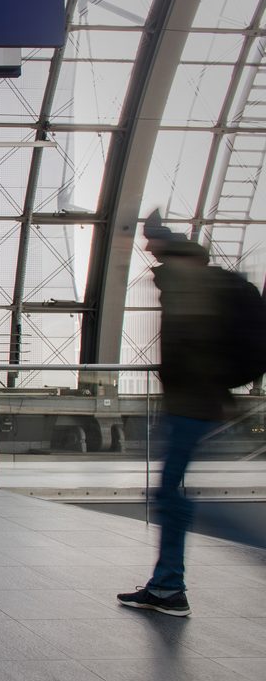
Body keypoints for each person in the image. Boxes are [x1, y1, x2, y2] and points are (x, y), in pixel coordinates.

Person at [117, 215, 230, 617]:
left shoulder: (185, 280)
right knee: (171, 495)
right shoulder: (193, 275)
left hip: (192, 404)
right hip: (196, 402)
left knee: (175, 498)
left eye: (151, 242)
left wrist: (178, 380)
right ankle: (167, 585)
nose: (147, 251)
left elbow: (190, 342)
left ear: (165, 244)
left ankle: (169, 587)